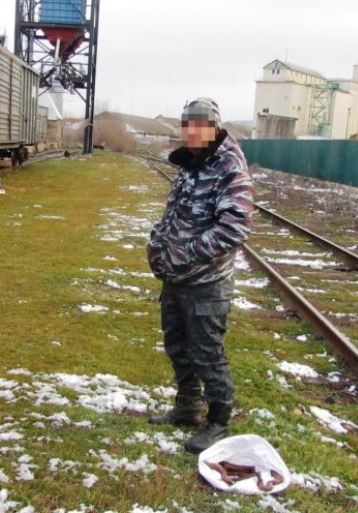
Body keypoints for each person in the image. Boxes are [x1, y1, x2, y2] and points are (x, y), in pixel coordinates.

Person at [146, 98, 254, 454]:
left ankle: (219, 421)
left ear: (213, 127)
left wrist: (184, 254)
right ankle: (187, 409)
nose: (190, 132)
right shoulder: (191, 161)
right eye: (186, 125)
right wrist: (158, 244)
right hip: (177, 277)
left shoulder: (228, 165)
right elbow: (174, 210)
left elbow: (234, 229)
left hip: (207, 282)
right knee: (178, 346)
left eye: (199, 125)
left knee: (207, 351)